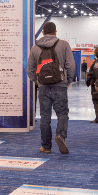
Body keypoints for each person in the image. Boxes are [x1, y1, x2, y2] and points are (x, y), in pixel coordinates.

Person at [27, 22, 75, 155]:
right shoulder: (63, 44)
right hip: (60, 84)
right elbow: (71, 66)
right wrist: (68, 81)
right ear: (55, 32)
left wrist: (37, 81)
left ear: (42, 32)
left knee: (45, 116)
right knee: (62, 113)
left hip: (43, 86)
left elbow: (29, 68)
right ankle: (60, 136)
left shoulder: (35, 47)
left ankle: (46, 146)